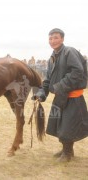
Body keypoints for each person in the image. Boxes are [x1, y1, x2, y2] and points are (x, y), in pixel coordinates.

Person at [33, 28, 88, 162]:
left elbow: (77, 71)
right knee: (59, 125)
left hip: (73, 97)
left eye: (56, 37)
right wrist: (41, 93)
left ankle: (67, 154)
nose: (53, 41)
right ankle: (67, 149)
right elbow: (47, 79)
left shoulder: (70, 51)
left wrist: (59, 86)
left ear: (62, 39)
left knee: (67, 128)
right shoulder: (52, 58)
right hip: (60, 97)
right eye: (50, 38)